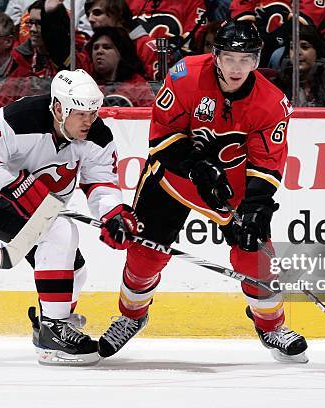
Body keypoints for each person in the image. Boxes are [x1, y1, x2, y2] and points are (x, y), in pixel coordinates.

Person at [97, 20, 309, 363]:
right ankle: (131, 316)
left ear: (257, 61)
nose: (237, 67)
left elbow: (267, 164)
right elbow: (161, 138)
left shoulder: (272, 103)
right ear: (216, 57)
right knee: (145, 255)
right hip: (173, 179)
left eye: (245, 59)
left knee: (254, 255)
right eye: (229, 58)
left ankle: (271, 327)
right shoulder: (185, 77)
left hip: (232, 187)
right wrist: (195, 167)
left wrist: (256, 207)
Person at [0, 69, 137, 366]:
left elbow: (100, 183)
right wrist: (19, 187)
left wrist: (113, 214)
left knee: (76, 273)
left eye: (93, 112)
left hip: (40, 208)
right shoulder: (19, 118)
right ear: (58, 108)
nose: (89, 121)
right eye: (80, 113)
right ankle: (54, 332)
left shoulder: (98, 136)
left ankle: (51, 324)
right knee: (59, 231)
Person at [87, 27, 154, 106]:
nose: (99, 51)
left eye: (106, 47)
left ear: (121, 53)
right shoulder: (86, 85)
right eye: (95, 48)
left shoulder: (139, 87)